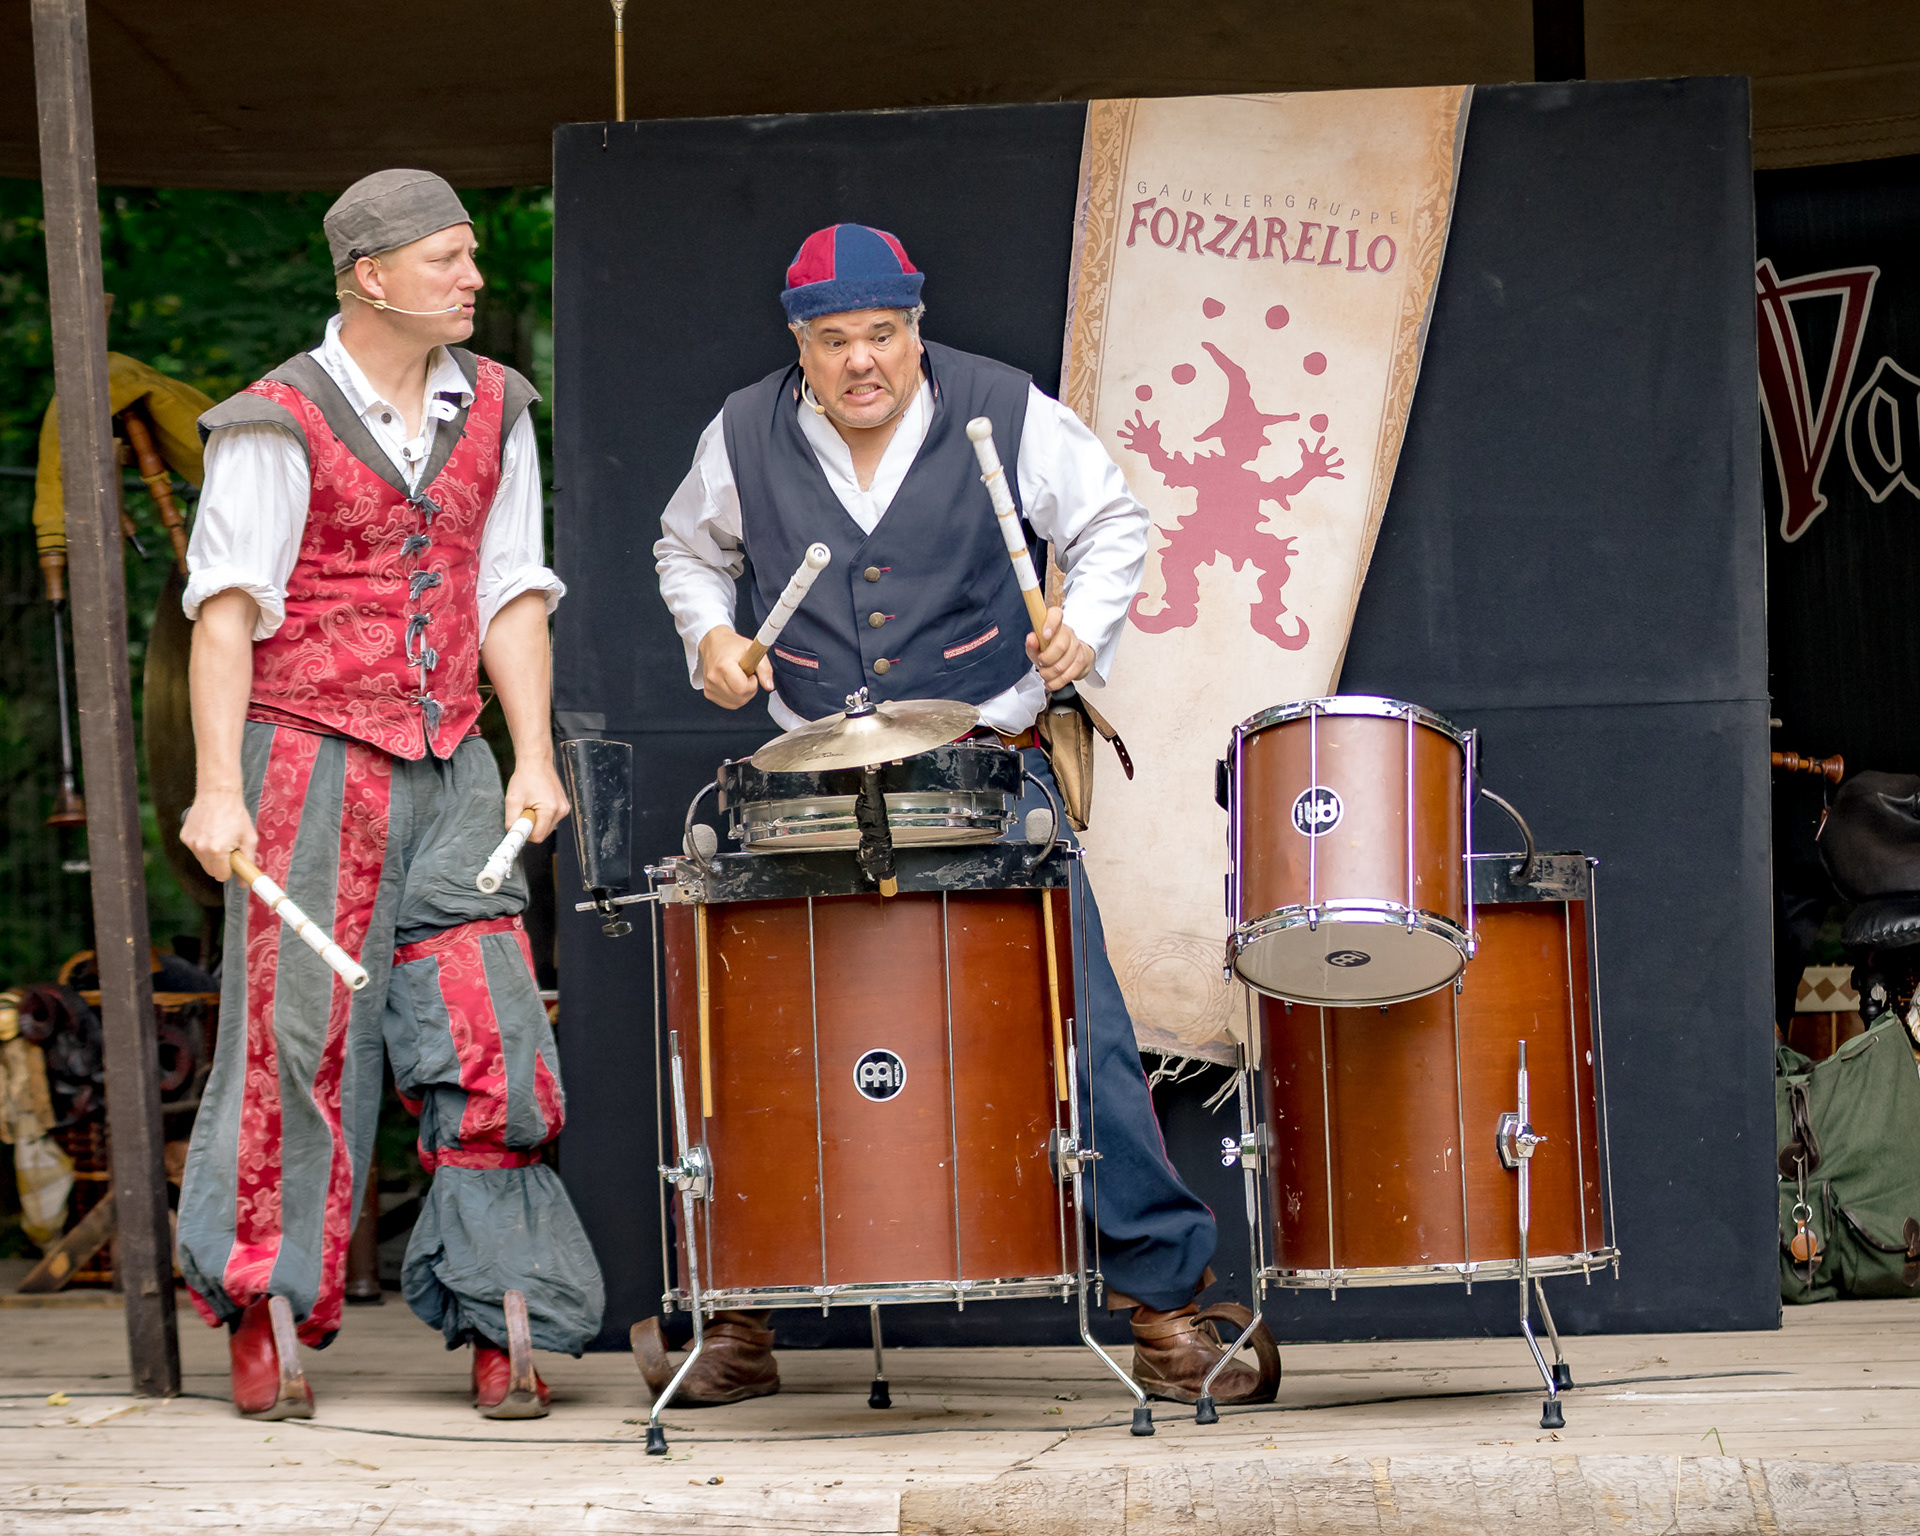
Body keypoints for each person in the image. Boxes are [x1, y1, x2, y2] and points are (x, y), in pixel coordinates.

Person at [649, 222, 1279, 1407]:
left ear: (915, 327)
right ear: (801, 343)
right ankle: (734, 1311)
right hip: (811, 778)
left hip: (986, 760)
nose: (861, 363)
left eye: (882, 334)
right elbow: (687, 552)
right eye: (833, 341)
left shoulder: (1006, 408)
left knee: (1074, 1030)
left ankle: (1169, 1305)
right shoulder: (741, 431)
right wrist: (713, 639)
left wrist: (1083, 625)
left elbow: (1112, 524)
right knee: (771, 1045)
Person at [175, 169, 603, 1421]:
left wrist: (531, 755)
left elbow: (511, 586)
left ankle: (500, 1309)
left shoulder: (499, 410)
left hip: (457, 766)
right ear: (368, 276)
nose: (473, 278)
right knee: (294, 1037)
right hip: (306, 761)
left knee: (493, 1032)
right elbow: (225, 618)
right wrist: (217, 791)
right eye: (446, 259)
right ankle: (265, 1304)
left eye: (474, 257)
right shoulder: (275, 418)